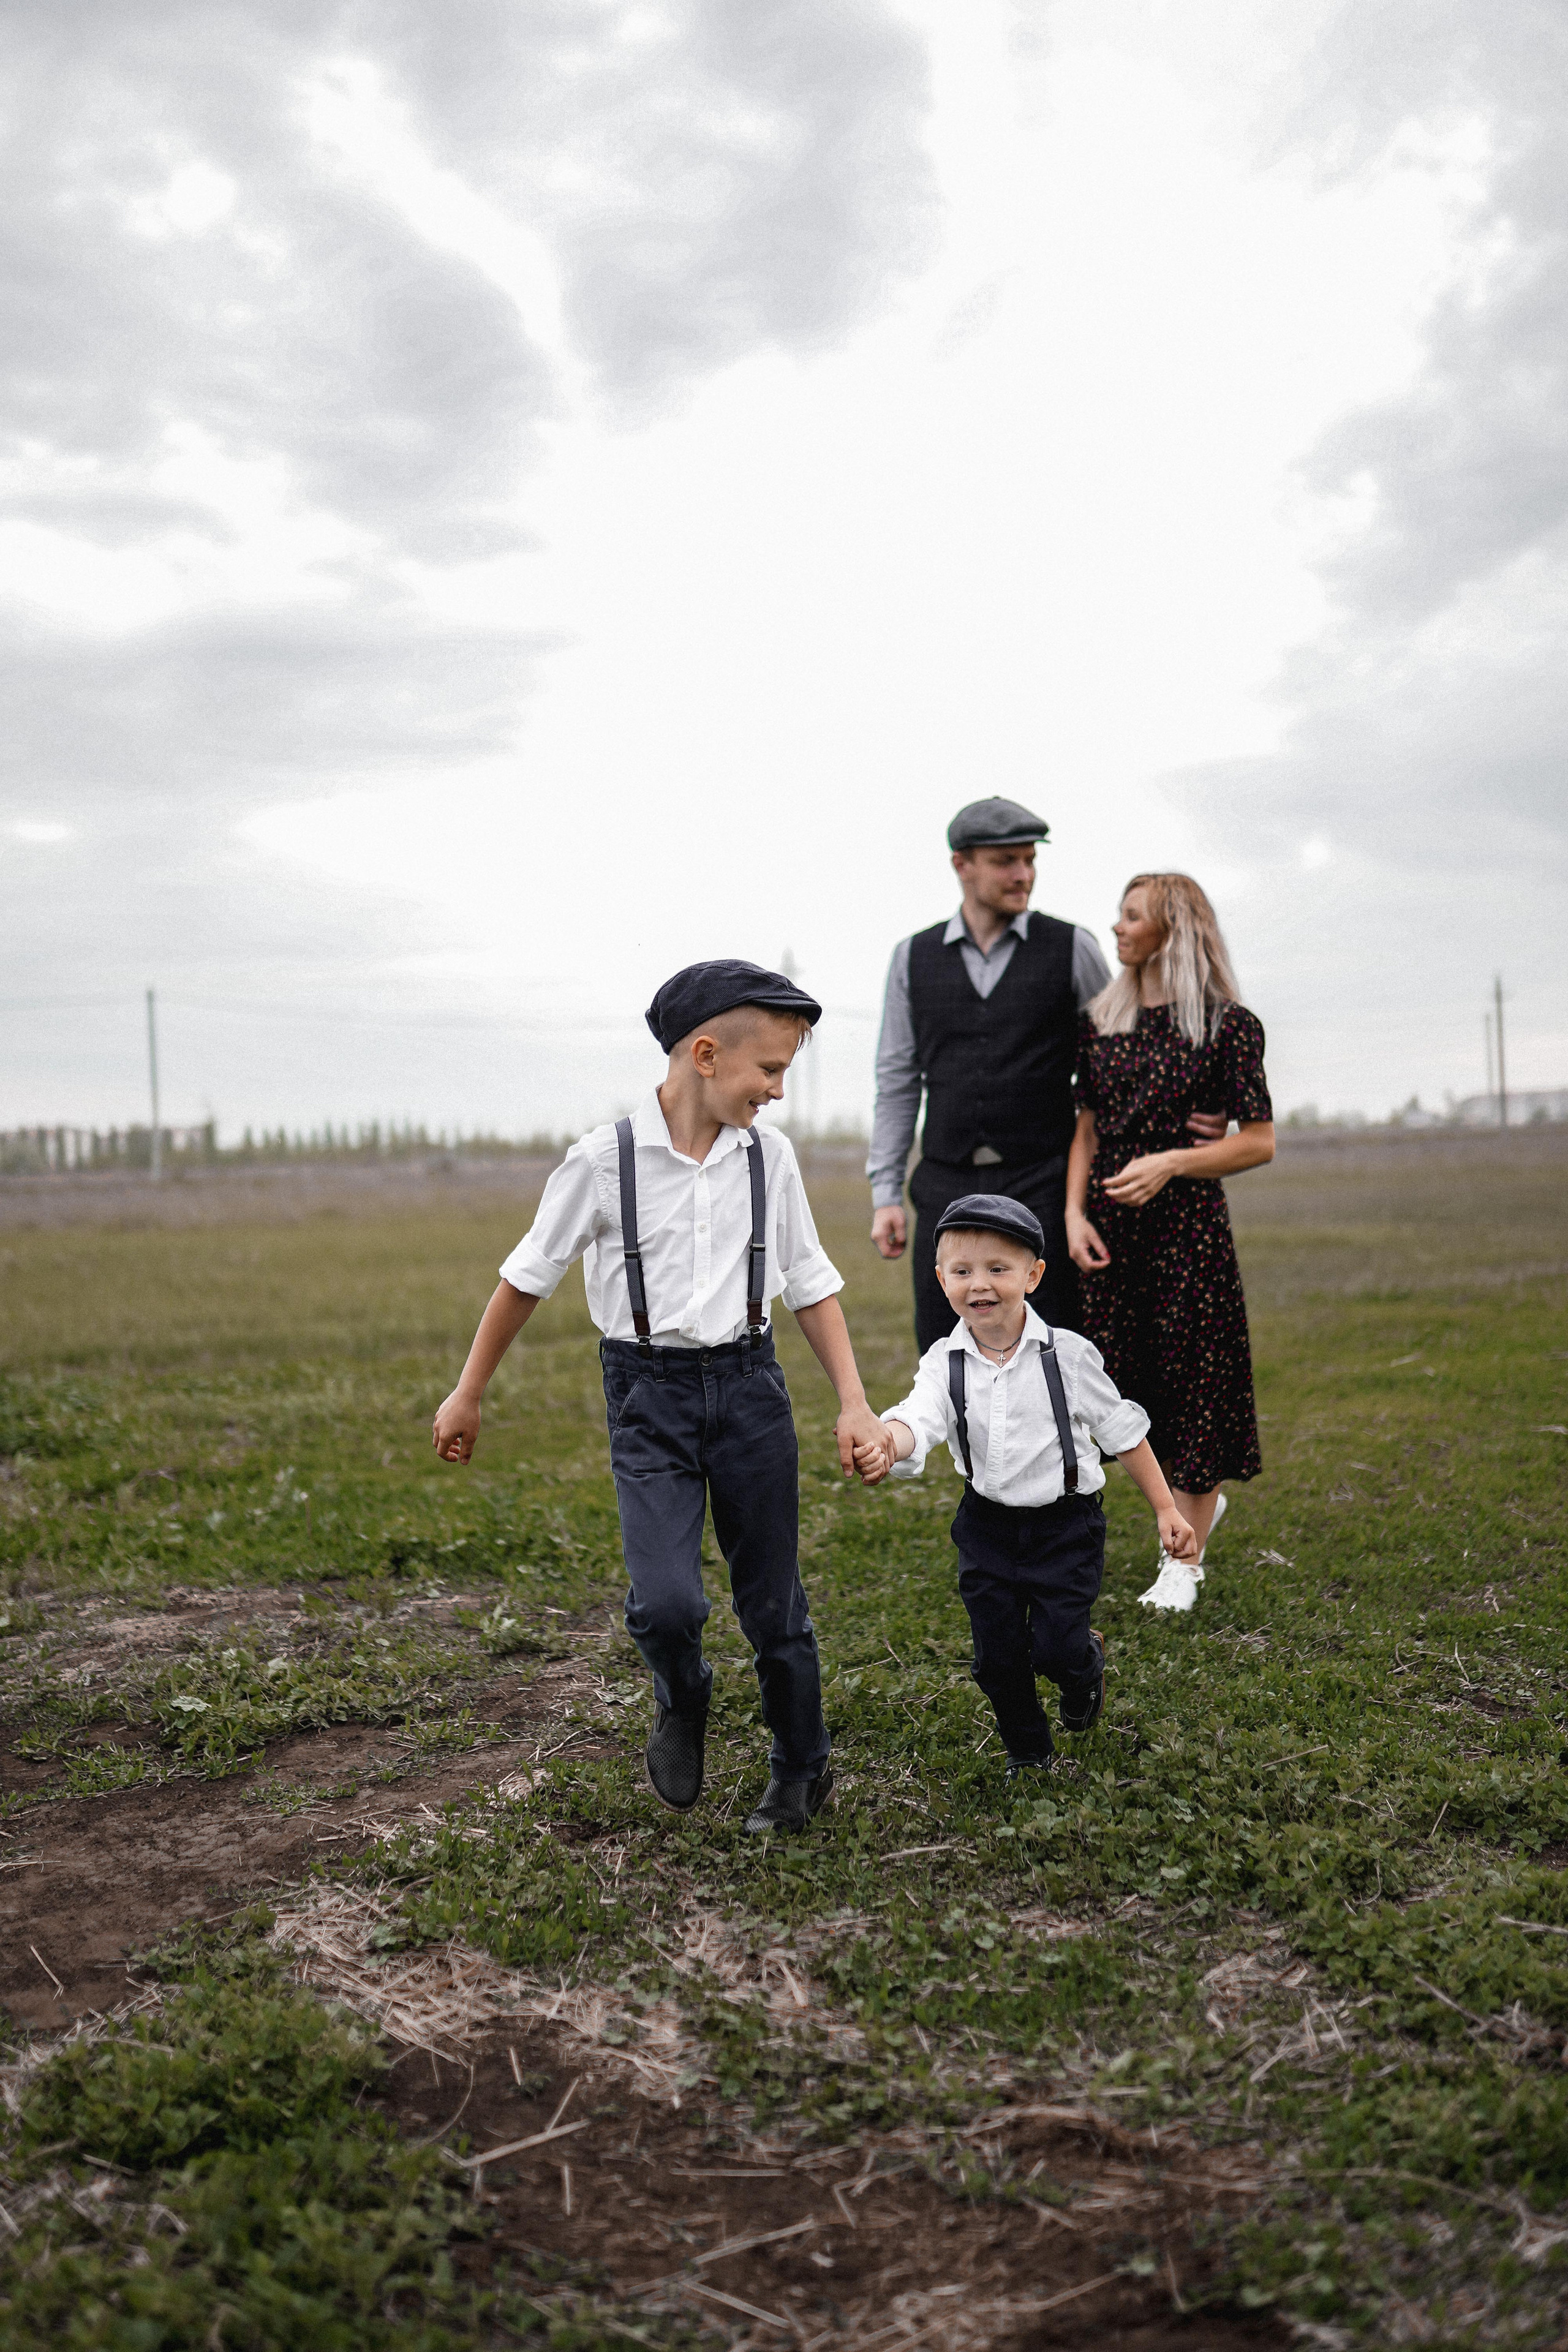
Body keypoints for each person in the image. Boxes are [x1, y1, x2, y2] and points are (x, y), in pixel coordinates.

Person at [431, 959, 887, 1834]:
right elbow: (528, 1276)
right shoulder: (603, 1163)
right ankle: (683, 1692)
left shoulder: (771, 1159)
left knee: (773, 1603)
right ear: (706, 1055)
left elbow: (810, 1280)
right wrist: (468, 1391)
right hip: (648, 1396)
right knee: (668, 1602)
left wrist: (854, 1402)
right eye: (772, 1072)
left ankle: (801, 1771)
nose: (779, 1093)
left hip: (751, 1390)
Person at [854, 1194, 1196, 1779]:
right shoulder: (945, 1361)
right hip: (986, 1526)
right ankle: (1028, 1751)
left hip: (1067, 1524)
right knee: (997, 1658)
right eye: (961, 1272)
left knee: (1059, 1647)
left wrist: (1166, 1508)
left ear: (1033, 1275)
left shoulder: (1068, 1356)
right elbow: (921, 1416)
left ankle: (1084, 1668)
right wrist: (890, 1440)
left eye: (997, 1269)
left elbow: (1123, 1433)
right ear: (941, 1280)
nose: (978, 1285)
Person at [867, 797, 1225, 1351]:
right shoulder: (911, 957)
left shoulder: (1072, 947)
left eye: (1030, 860)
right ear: (962, 865)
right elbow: (895, 1080)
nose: (1024, 875)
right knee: (945, 1354)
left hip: (1044, 1183)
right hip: (945, 1187)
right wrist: (886, 1192)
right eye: (1007, 861)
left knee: (1054, 1349)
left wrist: (1198, 1101)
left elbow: (1128, 1054)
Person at [1066, 875, 1275, 1613]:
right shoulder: (1101, 1020)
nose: (1116, 928)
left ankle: (1182, 1564)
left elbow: (1258, 1143)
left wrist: (1172, 1162)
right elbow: (1085, 1127)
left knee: (1196, 1386)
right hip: (1108, 1227)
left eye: (1130, 917)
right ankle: (1192, 1512)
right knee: (1120, 1383)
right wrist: (1072, 1215)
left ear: (1171, 929)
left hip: (1187, 1229)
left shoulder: (1227, 1026)